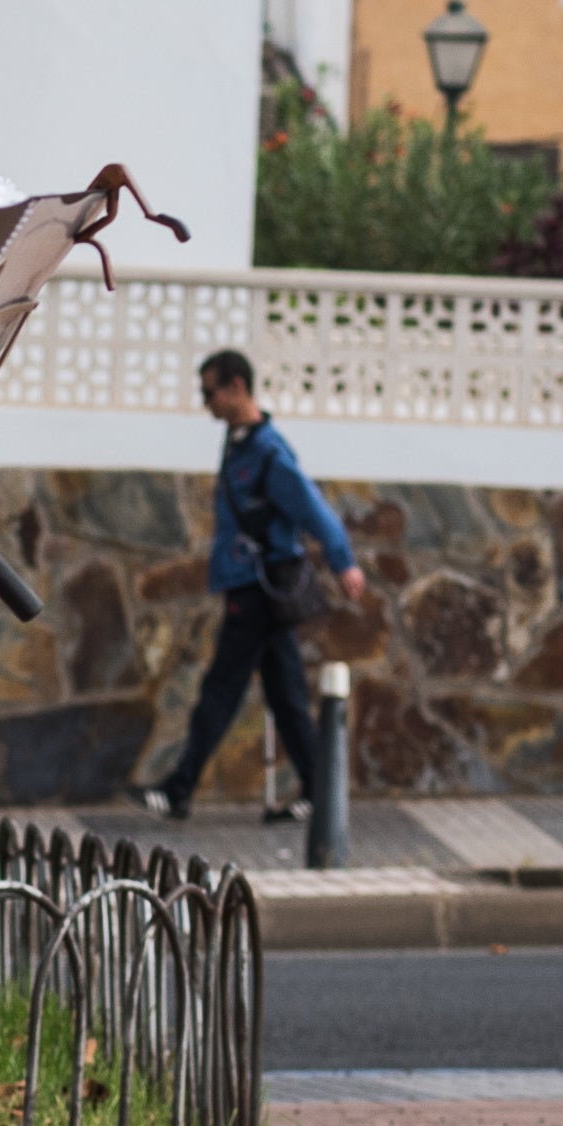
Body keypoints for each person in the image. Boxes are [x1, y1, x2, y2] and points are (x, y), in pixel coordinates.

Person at [137, 348, 370, 823]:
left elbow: (311, 508)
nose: (207, 404)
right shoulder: (239, 442)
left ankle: (179, 791)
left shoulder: (267, 453)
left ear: (236, 387)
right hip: (250, 584)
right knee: (285, 694)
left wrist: (344, 562)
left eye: (210, 392)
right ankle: (317, 792)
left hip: (260, 589)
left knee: (221, 687)